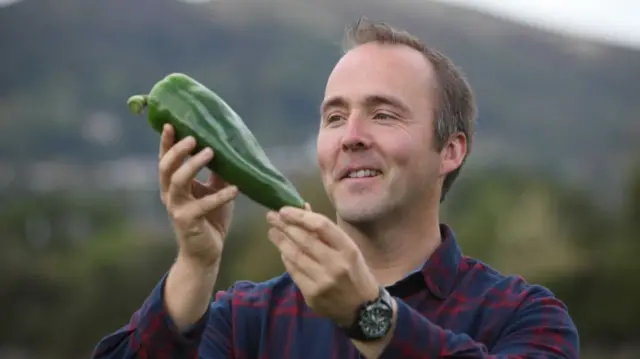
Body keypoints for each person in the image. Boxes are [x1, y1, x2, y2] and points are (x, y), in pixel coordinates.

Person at [92, 18, 579, 359]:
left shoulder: (523, 316)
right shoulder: (245, 320)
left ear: (450, 151)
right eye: (335, 117)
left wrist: (372, 318)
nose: (351, 137)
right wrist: (195, 268)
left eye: (384, 114)